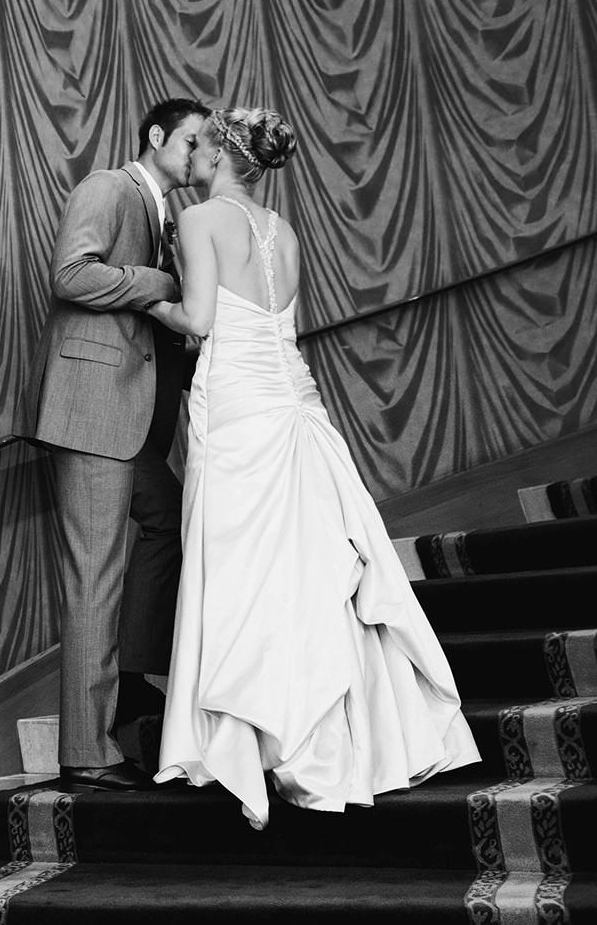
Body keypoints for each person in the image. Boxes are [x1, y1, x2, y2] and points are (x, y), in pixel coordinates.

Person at [148, 107, 480, 828]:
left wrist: (153, 298)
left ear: (219, 158)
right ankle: (336, 733)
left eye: (203, 146)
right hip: (291, 396)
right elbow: (282, 324)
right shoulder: (284, 232)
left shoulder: (203, 222)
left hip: (237, 399)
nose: (196, 155)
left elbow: (201, 322)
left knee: (240, 563)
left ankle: (257, 734)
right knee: (306, 564)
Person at [30, 97, 209, 791]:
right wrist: (161, 282)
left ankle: (129, 679)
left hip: (130, 422)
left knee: (169, 521)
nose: (199, 155)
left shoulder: (167, 214)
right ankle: (85, 750)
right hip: (92, 414)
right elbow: (72, 274)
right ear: (156, 137)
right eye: (191, 142)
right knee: (95, 573)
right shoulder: (109, 188)